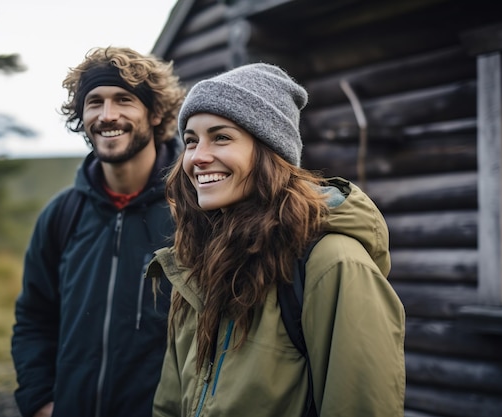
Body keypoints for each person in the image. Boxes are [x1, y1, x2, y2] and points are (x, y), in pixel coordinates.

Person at [147, 63, 406, 416]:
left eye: (221, 137)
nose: (197, 157)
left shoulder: (332, 262)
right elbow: (170, 404)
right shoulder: (195, 263)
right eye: (191, 140)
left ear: (271, 152)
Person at [11, 46, 185, 417]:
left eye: (124, 100)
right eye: (94, 102)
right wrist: (40, 400)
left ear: (155, 113)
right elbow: (34, 316)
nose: (108, 116)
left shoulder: (192, 212)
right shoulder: (62, 214)